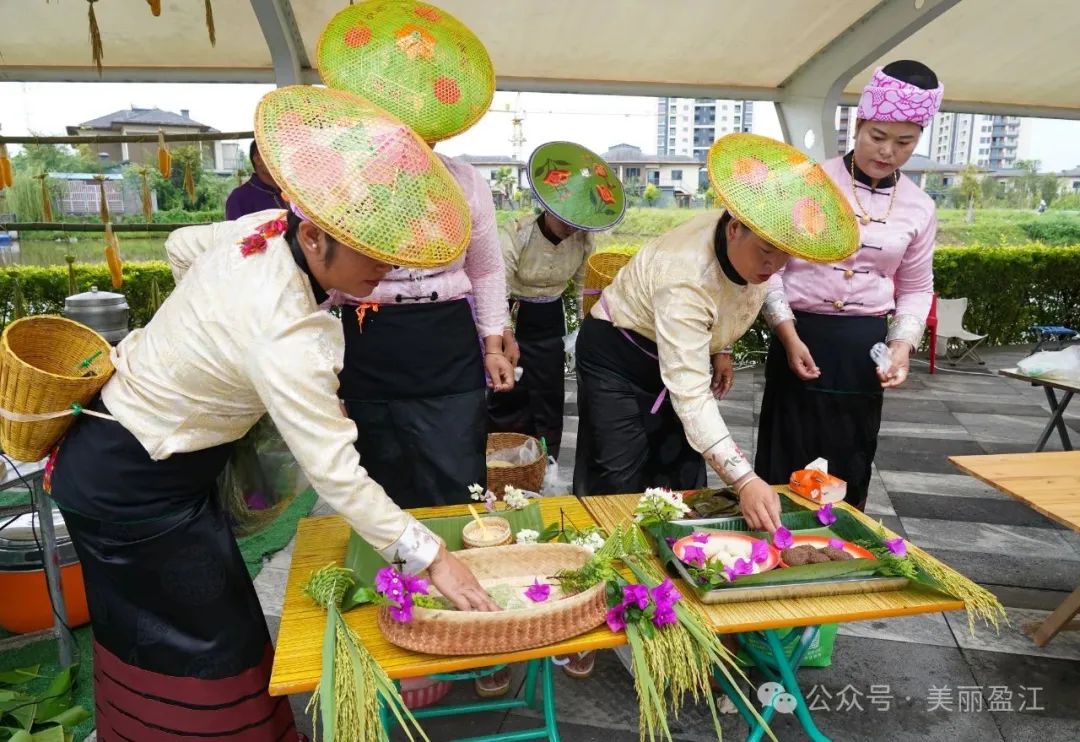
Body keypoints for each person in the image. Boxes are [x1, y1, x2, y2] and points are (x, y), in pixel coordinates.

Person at [46, 85, 498, 742]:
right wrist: (431, 559)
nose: (388, 268)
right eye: (371, 251)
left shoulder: (259, 231)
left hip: (130, 459)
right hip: (131, 486)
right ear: (313, 236)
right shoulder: (289, 334)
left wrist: (208, 342)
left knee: (190, 633)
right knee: (205, 649)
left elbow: (182, 245)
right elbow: (337, 474)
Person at [314, 0, 514, 698]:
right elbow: (318, 277)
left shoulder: (464, 180)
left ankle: (473, 625)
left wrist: (494, 340)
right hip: (367, 339)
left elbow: (486, 268)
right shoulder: (339, 177)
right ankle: (402, 626)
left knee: (455, 482)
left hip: (446, 342)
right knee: (380, 482)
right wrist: (325, 372)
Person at [574, 132, 860, 535]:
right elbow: (691, 392)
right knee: (618, 474)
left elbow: (742, 295)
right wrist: (744, 479)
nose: (773, 266)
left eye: (784, 255)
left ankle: (676, 555)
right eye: (766, 253)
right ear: (734, 229)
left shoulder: (753, 243)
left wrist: (721, 347)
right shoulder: (685, 277)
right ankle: (609, 553)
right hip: (617, 355)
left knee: (681, 473)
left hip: (675, 348)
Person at [755, 60, 941, 511]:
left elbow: (916, 287)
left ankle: (843, 542)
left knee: (849, 457)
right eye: (878, 136)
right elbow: (769, 268)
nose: (888, 151)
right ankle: (773, 541)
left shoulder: (920, 206)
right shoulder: (809, 183)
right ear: (858, 125)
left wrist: (901, 346)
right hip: (800, 333)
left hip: (863, 348)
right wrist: (788, 334)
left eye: (904, 142)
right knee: (786, 452)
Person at [489, 142, 625, 461]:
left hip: (551, 320)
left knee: (548, 395)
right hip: (514, 318)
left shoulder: (584, 240)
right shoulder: (517, 233)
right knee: (508, 392)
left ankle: (544, 462)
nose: (570, 229)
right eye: (565, 221)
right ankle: (501, 461)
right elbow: (498, 289)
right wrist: (504, 336)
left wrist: (589, 331)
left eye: (576, 223)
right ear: (548, 208)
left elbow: (583, 291)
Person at [225, 140, 284, 219]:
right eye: (275, 154)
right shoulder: (239, 197)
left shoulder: (291, 192)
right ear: (258, 159)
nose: (281, 159)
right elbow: (234, 227)